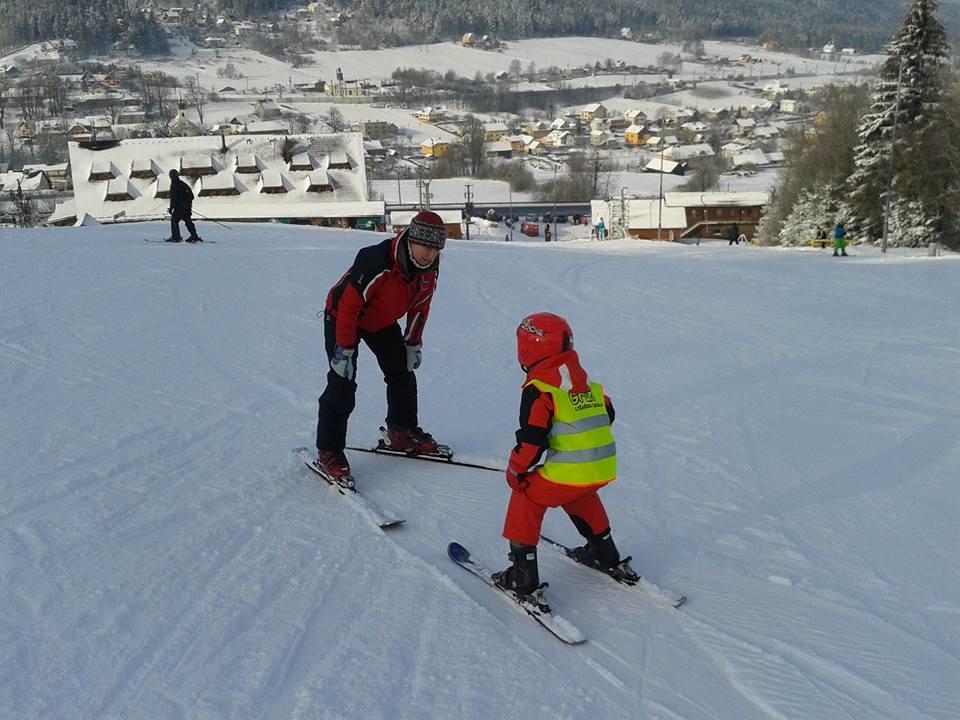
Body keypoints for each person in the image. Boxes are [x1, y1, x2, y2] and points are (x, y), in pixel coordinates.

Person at [492, 312, 636, 597]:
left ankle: (522, 579)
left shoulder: (540, 389)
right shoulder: (590, 386)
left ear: (529, 347)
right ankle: (606, 555)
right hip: (602, 470)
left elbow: (532, 442)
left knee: (526, 495)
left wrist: (515, 471)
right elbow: (606, 416)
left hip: (570, 473)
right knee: (579, 492)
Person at [315, 210, 445, 484]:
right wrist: (344, 350)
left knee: (402, 374)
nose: (429, 254)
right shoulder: (375, 259)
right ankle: (329, 450)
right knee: (343, 382)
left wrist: (412, 342)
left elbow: (422, 306)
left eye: (435, 248)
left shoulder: (429, 268)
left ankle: (401, 431)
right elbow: (349, 306)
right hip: (343, 317)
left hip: (381, 321)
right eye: (425, 245)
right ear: (410, 239)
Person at [167, 169, 201, 243]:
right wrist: (187, 204)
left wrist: (171, 208)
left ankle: (176, 237)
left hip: (179, 208)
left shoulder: (174, 185)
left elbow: (173, 198)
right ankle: (194, 236)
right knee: (188, 221)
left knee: (174, 220)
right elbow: (191, 196)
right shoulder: (183, 184)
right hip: (187, 207)